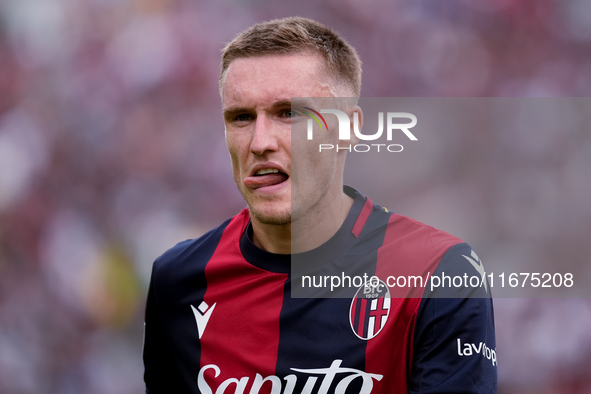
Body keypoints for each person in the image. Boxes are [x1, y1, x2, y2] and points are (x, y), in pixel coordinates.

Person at [143, 16, 497, 393]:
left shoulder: (438, 274)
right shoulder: (177, 280)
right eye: (242, 117)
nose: (260, 142)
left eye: (288, 113)